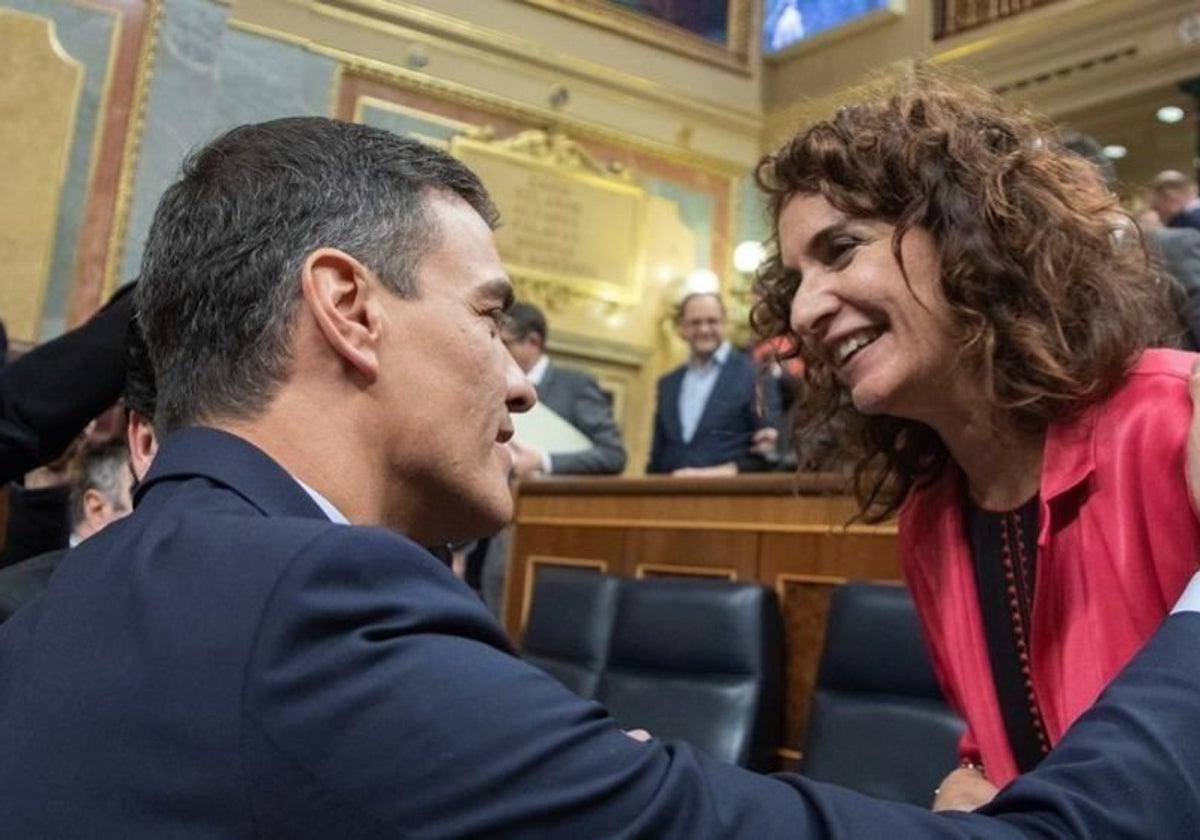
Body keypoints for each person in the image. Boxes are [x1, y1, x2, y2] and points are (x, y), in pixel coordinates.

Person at [3, 116, 1200, 838]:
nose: (523, 385)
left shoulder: (53, 605)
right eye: (489, 318)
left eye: (844, 249)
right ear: (348, 308)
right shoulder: (319, 617)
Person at [753, 65, 1200, 809]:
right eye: (794, 278)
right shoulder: (933, 517)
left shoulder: (1173, 419)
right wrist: (980, 776)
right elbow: (1014, 730)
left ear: (968, 239)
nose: (803, 312)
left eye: (839, 251)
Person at [478, 300, 626, 613]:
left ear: (533, 341)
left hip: (558, 538)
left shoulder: (575, 384)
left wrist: (543, 461)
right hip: (496, 531)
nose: (499, 353)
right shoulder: (491, 380)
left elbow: (612, 455)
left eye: (507, 343)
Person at [647, 291, 781, 475]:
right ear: (681, 328)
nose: (704, 329)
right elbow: (657, 455)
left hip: (729, 496)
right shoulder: (668, 384)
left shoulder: (755, 375)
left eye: (712, 321)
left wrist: (720, 472)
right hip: (670, 495)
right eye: (695, 322)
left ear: (726, 324)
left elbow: (769, 451)